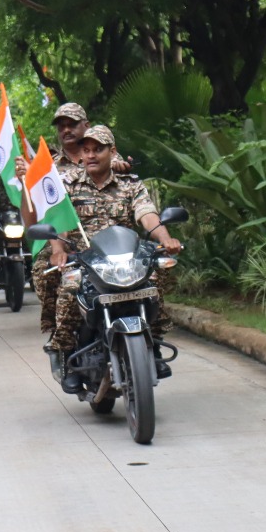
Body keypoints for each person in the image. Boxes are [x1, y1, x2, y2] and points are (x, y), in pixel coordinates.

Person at [47, 125, 183, 393]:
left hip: (126, 259)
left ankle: (153, 343)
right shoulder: (68, 184)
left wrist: (165, 238)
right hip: (88, 261)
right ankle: (68, 360)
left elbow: (147, 215)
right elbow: (58, 220)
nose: (91, 155)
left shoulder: (130, 184)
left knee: (156, 279)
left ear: (113, 152)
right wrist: (57, 249)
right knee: (68, 291)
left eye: (98, 149)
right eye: (86, 150)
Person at [18, 103, 131, 334]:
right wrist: (28, 182)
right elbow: (33, 221)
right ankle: (62, 336)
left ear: (86, 126)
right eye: (62, 127)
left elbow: (135, 194)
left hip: (112, 238)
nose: (66, 130)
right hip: (67, 240)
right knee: (44, 271)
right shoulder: (47, 167)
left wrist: (121, 168)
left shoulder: (108, 155)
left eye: (72, 125)